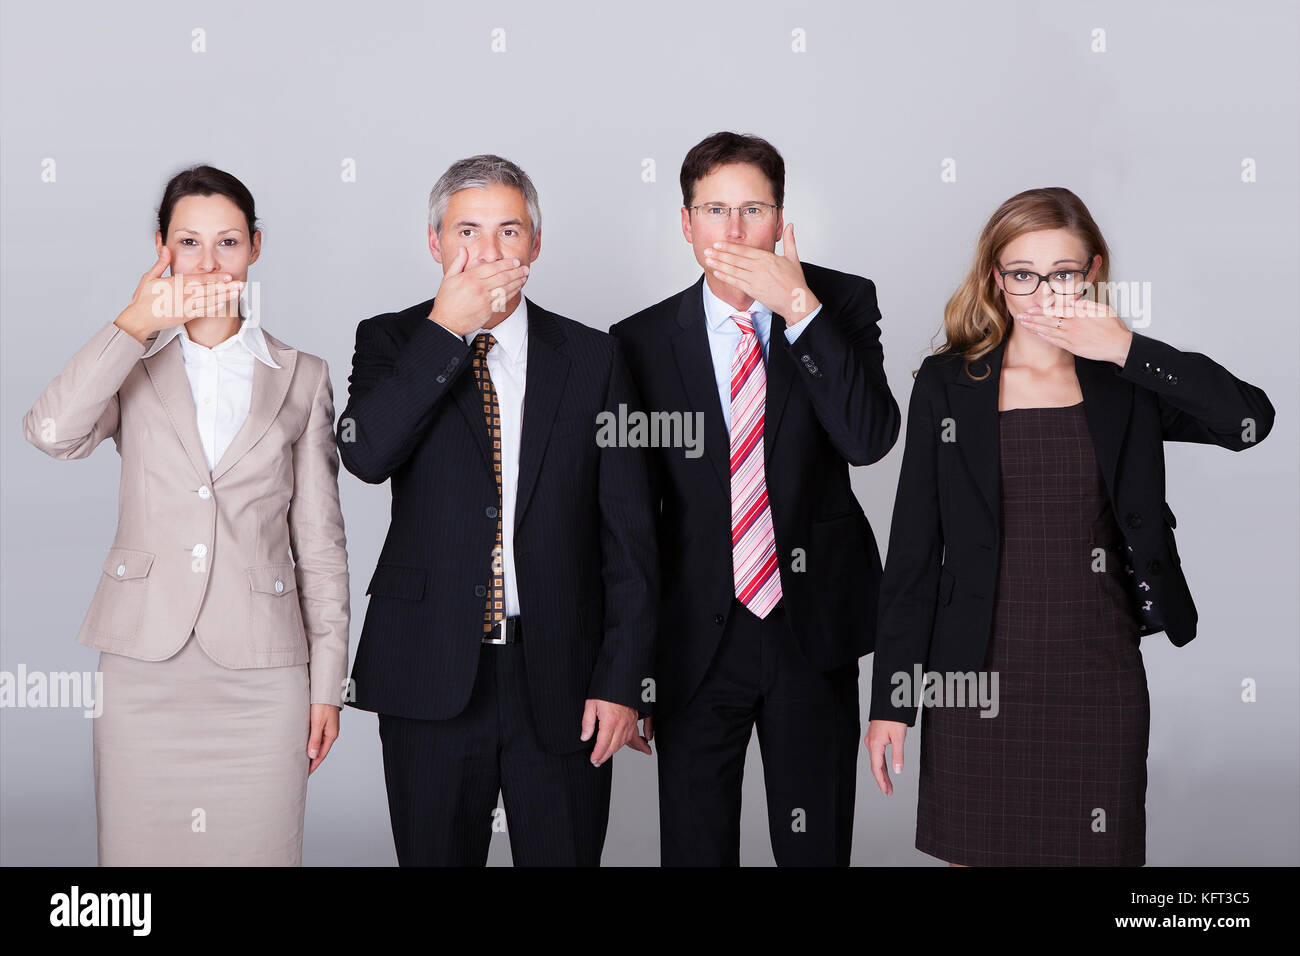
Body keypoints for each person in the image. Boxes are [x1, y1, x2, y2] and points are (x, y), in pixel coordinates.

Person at [865, 186, 1276, 866]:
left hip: (1096, 671)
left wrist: (1128, 347)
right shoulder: (948, 385)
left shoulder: (1126, 380)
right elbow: (912, 555)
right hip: (975, 677)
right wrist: (892, 702)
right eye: (1022, 273)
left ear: (1091, 272)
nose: (1041, 291)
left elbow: (1248, 422)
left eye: (1061, 272)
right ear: (995, 278)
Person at [22, 165, 350, 866]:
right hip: (145, 666)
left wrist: (328, 686)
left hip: (264, 676)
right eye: (189, 242)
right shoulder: (132, 366)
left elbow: (320, 549)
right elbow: (51, 433)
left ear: (256, 248)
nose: (208, 263)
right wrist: (136, 322)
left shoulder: (304, 375)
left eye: (227, 242)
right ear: (160, 249)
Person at [337, 154, 657, 866]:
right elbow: (365, 455)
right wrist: (446, 332)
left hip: (564, 675)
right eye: (468, 232)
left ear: (535, 246)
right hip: (429, 668)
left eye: (509, 232)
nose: (488, 253)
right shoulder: (390, 341)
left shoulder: (594, 357)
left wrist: (621, 677)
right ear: (435, 244)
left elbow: (630, 535)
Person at [610, 132, 901, 866]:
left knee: (815, 848)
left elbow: (868, 439)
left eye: (752, 210)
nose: (733, 231)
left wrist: (799, 309)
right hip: (693, 638)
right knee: (697, 847)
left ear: (780, 218)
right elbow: (630, 519)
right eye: (714, 210)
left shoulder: (840, 302)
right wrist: (629, 663)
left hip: (812, 628)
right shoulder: (637, 342)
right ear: (686, 222)